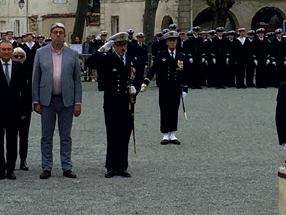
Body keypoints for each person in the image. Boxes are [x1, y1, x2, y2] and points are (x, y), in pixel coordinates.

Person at [31, 22, 83, 179]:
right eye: (55, 32)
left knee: (65, 136)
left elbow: (77, 81)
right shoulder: (40, 53)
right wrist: (36, 101)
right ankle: (46, 167)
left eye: (61, 32)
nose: (58, 34)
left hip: (67, 101)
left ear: (64, 35)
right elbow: (36, 78)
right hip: (47, 101)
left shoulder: (72, 54)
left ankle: (66, 166)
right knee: (46, 136)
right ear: (51, 34)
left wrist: (78, 102)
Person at [86, 32, 137, 178]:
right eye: (120, 44)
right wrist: (102, 49)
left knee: (125, 134)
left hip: (127, 103)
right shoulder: (107, 59)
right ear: (113, 45)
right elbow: (90, 63)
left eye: (124, 44)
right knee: (113, 134)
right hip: (112, 103)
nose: (123, 47)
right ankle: (111, 166)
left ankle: (122, 166)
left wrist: (136, 90)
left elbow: (137, 78)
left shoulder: (130, 59)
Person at [0, 41, 30, 180]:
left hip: (15, 110)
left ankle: (10, 169)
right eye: (4, 49)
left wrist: (25, 110)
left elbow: (25, 91)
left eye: (9, 49)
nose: (6, 52)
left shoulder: (19, 67)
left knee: (12, 141)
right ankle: (0, 169)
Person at [142, 30, 188, 145]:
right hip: (164, 87)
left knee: (174, 109)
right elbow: (153, 70)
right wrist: (146, 82)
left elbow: (185, 73)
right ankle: (165, 134)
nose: (172, 43)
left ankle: (172, 133)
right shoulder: (161, 55)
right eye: (170, 41)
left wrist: (185, 89)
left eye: (174, 41)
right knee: (165, 109)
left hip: (176, 87)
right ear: (167, 42)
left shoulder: (180, 56)